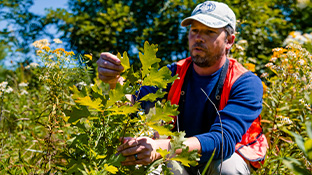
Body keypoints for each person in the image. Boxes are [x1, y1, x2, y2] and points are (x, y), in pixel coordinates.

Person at [97, 1, 268, 174]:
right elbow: (132, 106)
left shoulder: (245, 82)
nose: (199, 37)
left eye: (210, 32)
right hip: (179, 156)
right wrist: (113, 81)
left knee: (227, 169)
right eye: (194, 30)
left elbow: (223, 141)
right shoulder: (173, 73)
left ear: (229, 41)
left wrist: (158, 147)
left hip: (225, 156)